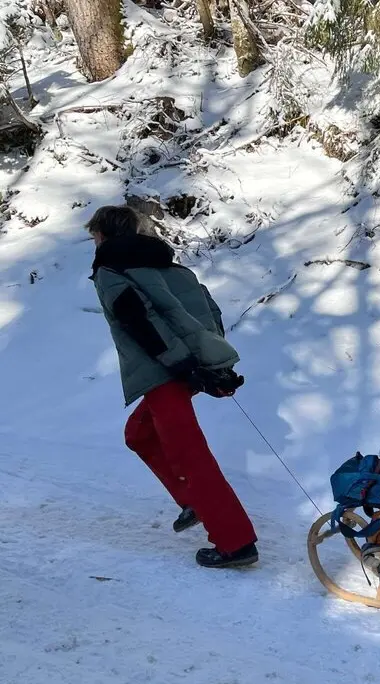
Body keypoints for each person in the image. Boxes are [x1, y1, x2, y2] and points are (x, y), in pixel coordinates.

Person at [87, 205, 259, 569]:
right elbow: (207, 310)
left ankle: (236, 542)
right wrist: (214, 363)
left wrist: (183, 365)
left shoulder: (110, 270)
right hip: (178, 367)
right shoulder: (172, 266)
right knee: (138, 433)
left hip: (165, 370)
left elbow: (139, 320)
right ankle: (193, 500)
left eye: (94, 236)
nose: (94, 242)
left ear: (102, 235)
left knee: (189, 455)